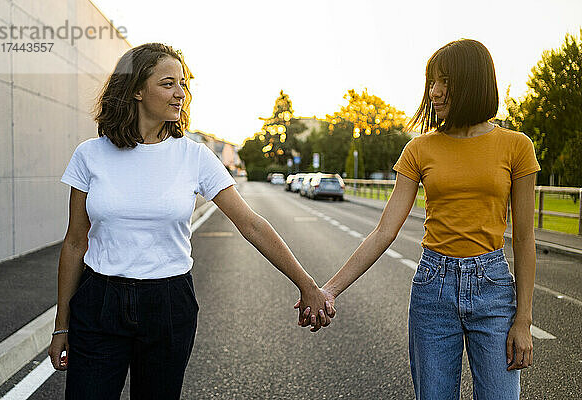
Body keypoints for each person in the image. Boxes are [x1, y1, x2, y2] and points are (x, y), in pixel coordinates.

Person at [47, 42, 334, 400]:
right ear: (136, 89)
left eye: (183, 84)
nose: (180, 93)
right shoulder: (90, 155)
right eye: (168, 84)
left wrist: (307, 284)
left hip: (168, 303)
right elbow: (75, 241)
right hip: (100, 301)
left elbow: (251, 224)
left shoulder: (194, 156)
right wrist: (62, 326)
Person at [297, 39, 539, 399]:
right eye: (431, 81)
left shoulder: (516, 146)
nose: (434, 92)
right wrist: (328, 289)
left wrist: (524, 319)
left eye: (444, 81)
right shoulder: (419, 148)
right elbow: (383, 232)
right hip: (433, 289)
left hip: (493, 289)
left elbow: (523, 239)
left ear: (471, 83)